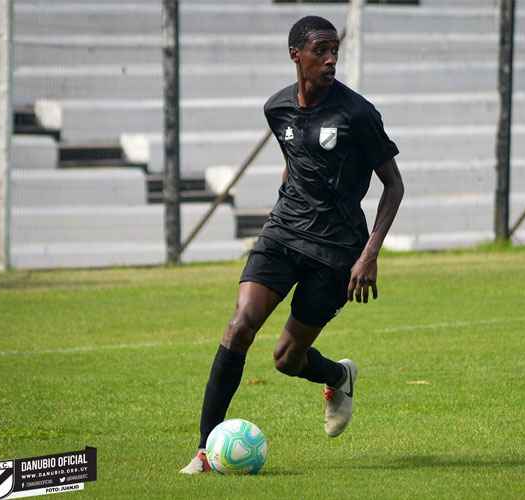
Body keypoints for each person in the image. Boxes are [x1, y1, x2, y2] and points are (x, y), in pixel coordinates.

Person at [180, 15, 404, 474]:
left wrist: (369, 255)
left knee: (286, 359)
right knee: (240, 325)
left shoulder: (357, 114)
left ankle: (338, 375)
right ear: (295, 55)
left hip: (337, 252)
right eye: (321, 50)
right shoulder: (276, 108)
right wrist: (285, 210)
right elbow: (295, 160)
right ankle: (204, 451)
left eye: (335, 50)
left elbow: (394, 186)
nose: (330, 59)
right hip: (282, 234)